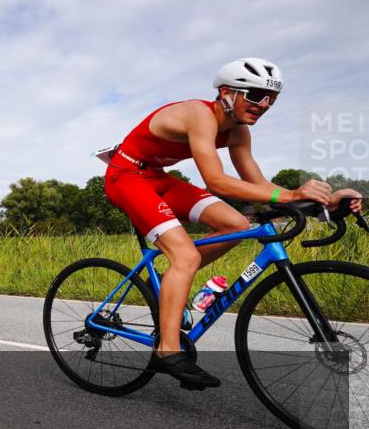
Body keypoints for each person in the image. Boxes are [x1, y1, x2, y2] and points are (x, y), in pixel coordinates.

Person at [104, 58, 362, 388]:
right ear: (227, 92)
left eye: (272, 98)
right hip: (126, 176)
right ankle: (166, 350)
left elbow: (259, 186)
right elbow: (215, 180)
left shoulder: (239, 132)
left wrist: (322, 200)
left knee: (238, 224)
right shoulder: (199, 115)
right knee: (186, 255)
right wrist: (291, 196)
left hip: (159, 177)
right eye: (255, 95)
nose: (264, 104)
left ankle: (175, 279)